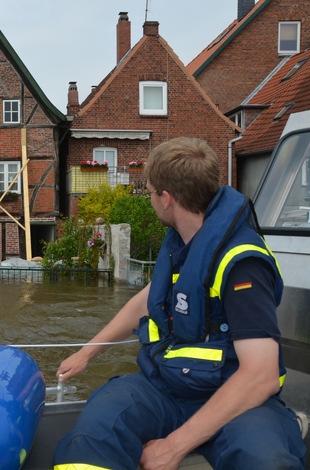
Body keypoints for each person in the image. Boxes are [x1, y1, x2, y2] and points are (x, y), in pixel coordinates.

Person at [53, 137, 306, 469]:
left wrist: (173, 447)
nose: (150, 200)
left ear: (167, 198)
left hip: (235, 396)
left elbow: (261, 376)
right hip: (165, 387)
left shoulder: (242, 265)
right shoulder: (182, 245)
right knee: (98, 429)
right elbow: (146, 302)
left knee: (264, 459)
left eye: (150, 192)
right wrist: (88, 351)